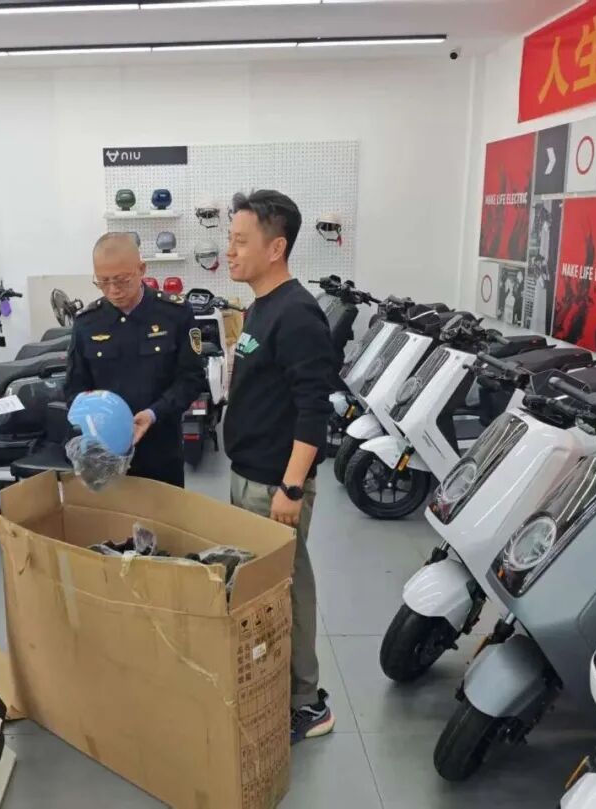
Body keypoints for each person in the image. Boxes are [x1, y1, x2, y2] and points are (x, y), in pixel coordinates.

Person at [223, 190, 338, 744]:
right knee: (266, 592)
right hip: (250, 476)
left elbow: (315, 407)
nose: (230, 251)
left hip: (275, 485)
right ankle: (277, 686)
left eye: (241, 241)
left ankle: (306, 703)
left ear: (276, 248)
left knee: (288, 590)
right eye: (229, 240)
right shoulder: (261, 306)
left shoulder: (296, 314)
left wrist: (291, 487)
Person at [65, 232, 205, 487]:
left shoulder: (174, 313)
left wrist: (153, 414)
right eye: (103, 282)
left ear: (141, 269)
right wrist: (92, 427)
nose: (113, 290)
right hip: (104, 453)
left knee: (163, 512)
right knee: (108, 513)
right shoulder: (87, 322)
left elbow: (192, 379)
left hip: (161, 448)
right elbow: (74, 388)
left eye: (122, 280)